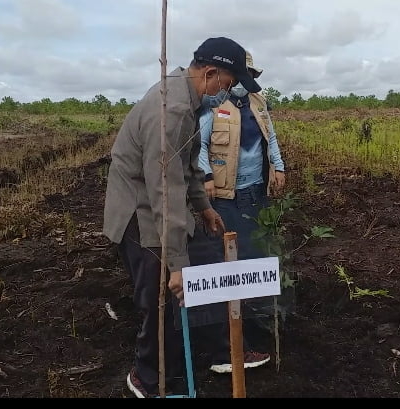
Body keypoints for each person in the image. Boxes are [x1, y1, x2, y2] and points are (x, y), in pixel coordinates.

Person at [103, 37, 261, 398]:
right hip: (141, 216)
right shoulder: (171, 111)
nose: (228, 93)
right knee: (159, 298)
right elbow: (165, 193)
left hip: (156, 206)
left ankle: (217, 351)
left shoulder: (185, 100)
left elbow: (188, 169)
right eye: (228, 83)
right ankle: (148, 377)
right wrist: (176, 263)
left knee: (195, 273)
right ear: (210, 73)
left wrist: (204, 208)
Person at [197, 51, 285, 374]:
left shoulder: (259, 103)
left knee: (254, 259)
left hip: (254, 196)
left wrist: (279, 166)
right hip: (225, 200)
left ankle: (255, 324)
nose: (244, 82)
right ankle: (226, 343)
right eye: (240, 74)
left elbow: (271, 137)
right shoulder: (212, 106)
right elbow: (200, 148)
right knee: (226, 266)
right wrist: (205, 177)